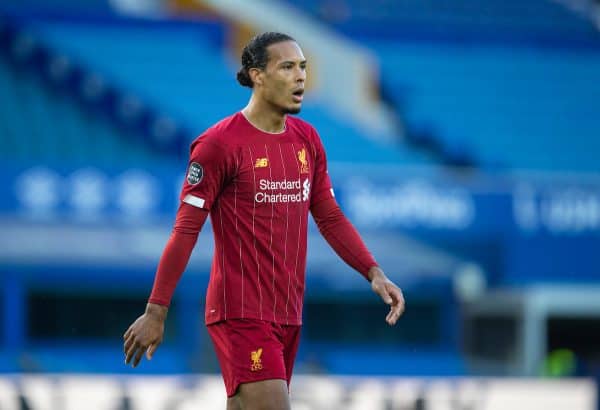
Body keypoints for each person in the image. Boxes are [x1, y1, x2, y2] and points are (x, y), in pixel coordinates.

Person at [123, 32, 405, 410]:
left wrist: (373, 271)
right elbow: (185, 231)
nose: (300, 77)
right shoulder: (218, 145)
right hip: (240, 312)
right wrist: (157, 311)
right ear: (257, 75)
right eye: (287, 67)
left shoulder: (307, 140)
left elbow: (329, 214)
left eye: (303, 67)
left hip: (288, 312)